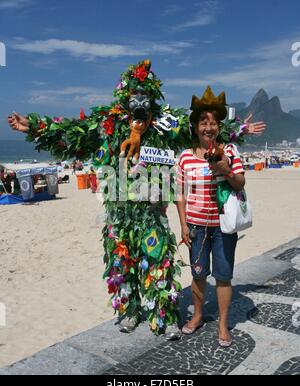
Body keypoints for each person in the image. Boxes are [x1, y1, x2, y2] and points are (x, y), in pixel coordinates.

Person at [7, 61, 265, 340]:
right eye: (134, 94)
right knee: (122, 261)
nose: (139, 100)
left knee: (157, 262)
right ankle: (130, 310)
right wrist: (33, 127)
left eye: (144, 94)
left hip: (152, 211)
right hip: (119, 212)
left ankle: (161, 314)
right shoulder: (108, 124)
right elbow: (72, 132)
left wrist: (239, 130)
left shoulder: (164, 125)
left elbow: (203, 128)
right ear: (124, 97)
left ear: (152, 97)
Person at [176, 86, 265, 347]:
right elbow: (179, 194)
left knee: (224, 276)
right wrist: (183, 225)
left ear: (218, 127)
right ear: (195, 127)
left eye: (213, 123)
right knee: (198, 273)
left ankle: (224, 325)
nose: (208, 127)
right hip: (196, 226)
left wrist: (225, 168)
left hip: (224, 226)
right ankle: (198, 316)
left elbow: (239, 184)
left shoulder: (230, 152)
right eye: (203, 122)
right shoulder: (184, 158)